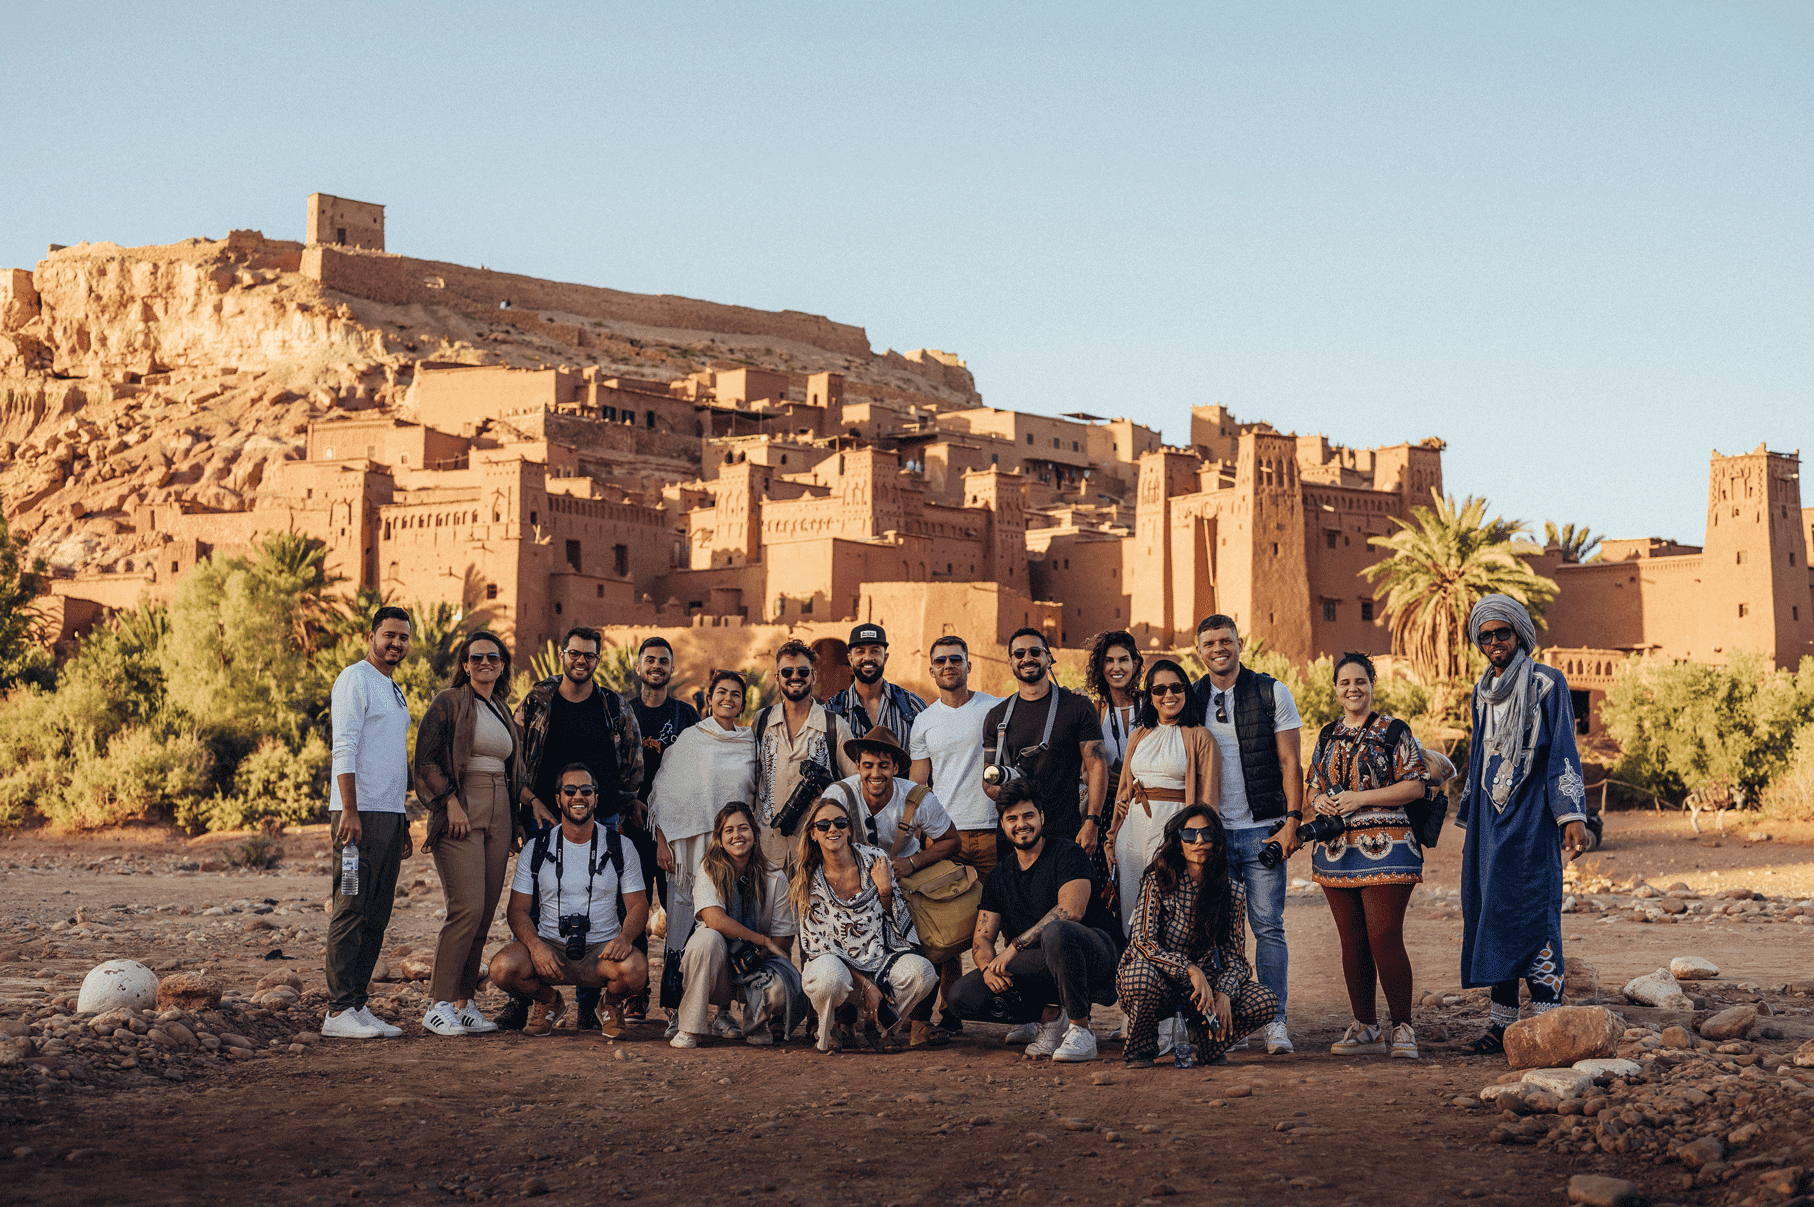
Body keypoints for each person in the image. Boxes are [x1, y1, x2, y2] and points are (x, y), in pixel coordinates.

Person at [1457, 595, 1591, 1056]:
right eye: (1486, 635)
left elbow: (1562, 753)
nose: (1495, 642)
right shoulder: (1481, 691)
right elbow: (1479, 755)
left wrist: (1571, 814)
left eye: (1502, 633)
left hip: (1532, 815)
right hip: (1490, 822)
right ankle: (1501, 1025)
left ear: (1519, 635)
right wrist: (1470, 812)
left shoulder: (1547, 684)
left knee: (1535, 907)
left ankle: (1546, 1017)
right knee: (1491, 907)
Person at [513, 626, 645, 1032]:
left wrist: (620, 804)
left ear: (597, 660)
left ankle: (593, 1005)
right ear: (562, 655)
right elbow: (514, 758)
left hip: (600, 815)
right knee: (538, 905)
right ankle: (532, 1001)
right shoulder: (538, 700)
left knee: (602, 905)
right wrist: (530, 803)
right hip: (543, 816)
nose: (581, 661)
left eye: (589, 655)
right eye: (574, 653)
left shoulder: (613, 705)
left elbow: (633, 760)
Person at [1304, 652, 1432, 1059]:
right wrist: (1319, 799)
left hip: (1389, 847)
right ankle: (1365, 1026)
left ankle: (1403, 1027)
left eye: (1360, 681)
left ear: (1372, 684)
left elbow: (1414, 786)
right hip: (1336, 849)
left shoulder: (1393, 731)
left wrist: (1359, 798)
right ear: (1336, 689)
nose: (1353, 689)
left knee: (1383, 937)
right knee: (1352, 940)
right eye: (1345, 683)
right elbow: (1312, 786)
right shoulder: (1327, 735)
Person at [1188, 613, 1303, 1054]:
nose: (1219, 648)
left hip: (1263, 832)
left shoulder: (1271, 690)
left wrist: (1292, 821)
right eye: (1210, 643)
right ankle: (1227, 1020)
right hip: (1211, 837)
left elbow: (1291, 762)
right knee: (1216, 932)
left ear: (1240, 643)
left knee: (1267, 927)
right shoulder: (1192, 698)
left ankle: (1275, 1020)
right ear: (1199, 651)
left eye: (1226, 640)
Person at [948, 788, 1123, 1063]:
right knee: (962, 995)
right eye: (1012, 818)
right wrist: (987, 969)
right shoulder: (999, 876)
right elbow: (982, 939)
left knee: (1058, 931)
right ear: (1003, 825)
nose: (1021, 824)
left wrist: (1014, 947)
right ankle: (1050, 1019)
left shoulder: (1069, 853)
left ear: (1041, 817)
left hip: (1095, 956)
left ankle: (1081, 1031)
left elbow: (1071, 911)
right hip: (1043, 962)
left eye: (1028, 815)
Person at [413, 631, 524, 1037]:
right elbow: (425, 758)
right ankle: (437, 1004)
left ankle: (464, 1003)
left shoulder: (500, 708)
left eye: (492, 658)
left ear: (502, 664)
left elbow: (515, 769)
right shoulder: (450, 701)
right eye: (476, 658)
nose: (484, 664)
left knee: (484, 912)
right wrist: (449, 801)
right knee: (465, 907)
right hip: (462, 805)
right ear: (464, 664)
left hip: (500, 811)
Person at [487, 763, 650, 1037]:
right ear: (558, 798)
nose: (578, 797)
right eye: (570, 790)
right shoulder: (536, 848)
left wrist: (623, 939)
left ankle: (609, 1004)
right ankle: (548, 1001)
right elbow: (517, 911)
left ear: (596, 798)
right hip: (551, 951)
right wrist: (536, 946)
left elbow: (638, 906)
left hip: (601, 952)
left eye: (586, 791)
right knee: (502, 969)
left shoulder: (620, 846)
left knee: (636, 969)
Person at [824, 724, 960, 1047]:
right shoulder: (838, 795)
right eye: (868, 765)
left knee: (928, 940)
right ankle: (844, 1024)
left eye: (884, 766)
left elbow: (950, 840)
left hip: (905, 884)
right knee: (843, 939)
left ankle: (918, 1023)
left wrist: (912, 863)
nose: (875, 773)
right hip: (853, 885)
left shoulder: (916, 797)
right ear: (857, 766)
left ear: (896, 768)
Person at [1115, 808, 1279, 1068]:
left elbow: (1235, 959)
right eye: (1190, 834)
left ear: (1217, 841)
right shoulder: (1156, 881)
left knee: (1265, 1002)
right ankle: (1141, 1047)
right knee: (1139, 976)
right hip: (1156, 979)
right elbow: (1141, 942)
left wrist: (1224, 993)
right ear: (1178, 843)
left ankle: (1209, 1041)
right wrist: (1189, 969)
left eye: (1207, 833)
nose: (1199, 840)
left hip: (1200, 991)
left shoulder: (1232, 891)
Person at [323, 605, 415, 1039]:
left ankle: (358, 1005)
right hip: (358, 817)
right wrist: (351, 811)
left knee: (377, 914)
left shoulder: (392, 688)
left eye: (403, 637)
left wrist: (403, 822)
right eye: (389, 635)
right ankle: (338, 1011)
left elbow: (391, 757)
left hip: (389, 817)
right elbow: (344, 747)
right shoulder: (354, 679)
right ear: (371, 636)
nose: (396, 643)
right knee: (351, 908)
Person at [650, 669, 757, 1038]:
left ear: (744, 703)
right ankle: (680, 1011)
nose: (729, 699)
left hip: (731, 850)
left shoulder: (750, 743)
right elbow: (663, 790)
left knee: (727, 921)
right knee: (682, 927)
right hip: (688, 853)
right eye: (722, 692)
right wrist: (662, 841)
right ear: (709, 698)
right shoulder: (690, 740)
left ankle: (724, 1012)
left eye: (736, 694)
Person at [790, 794, 937, 1053]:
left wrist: (884, 890)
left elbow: (896, 921)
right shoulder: (808, 879)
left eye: (840, 823)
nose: (832, 829)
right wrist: (868, 986)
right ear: (813, 833)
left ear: (850, 829)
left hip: (879, 956)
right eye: (823, 825)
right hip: (838, 967)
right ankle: (832, 1027)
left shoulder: (875, 860)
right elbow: (820, 947)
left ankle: (879, 1027)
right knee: (829, 977)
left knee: (922, 972)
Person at [908, 634, 1002, 1034]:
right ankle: (949, 1014)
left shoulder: (994, 709)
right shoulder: (925, 720)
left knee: (1004, 919)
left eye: (956, 660)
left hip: (996, 833)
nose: (949, 666)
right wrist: (913, 835)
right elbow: (918, 785)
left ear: (968, 665)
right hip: (946, 838)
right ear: (931, 670)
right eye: (941, 661)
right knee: (945, 928)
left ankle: (1029, 1013)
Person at [672, 801, 805, 1049]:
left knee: (779, 989)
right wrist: (760, 939)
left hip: (757, 966)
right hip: (718, 970)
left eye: (743, 828)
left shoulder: (775, 877)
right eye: (729, 830)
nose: (737, 835)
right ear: (720, 840)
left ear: (754, 834)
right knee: (706, 939)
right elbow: (714, 918)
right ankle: (690, 1026)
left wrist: (761, 951)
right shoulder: (709, 869)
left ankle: (755, 1023)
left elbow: (783, 939)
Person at [1106, 660, 1221, 926]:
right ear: (1150, 696)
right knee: (1132, 916)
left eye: (1176, 687)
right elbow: (1124, 790)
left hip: (1173, 835)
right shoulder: (1138, 735)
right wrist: (1113, 835)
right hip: (1133, 835)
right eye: (1159, 690)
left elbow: (1208, 801)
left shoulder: (1200, 737)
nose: (1168, 695)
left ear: (1185, 691)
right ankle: (1135, 967)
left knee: (1171, 915)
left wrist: (1199, 842)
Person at [981, 628, 1107, 852]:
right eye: (1019, 654)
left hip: (1065, 833)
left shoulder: (1077, 706)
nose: (1027, 658)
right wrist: (1016, 792)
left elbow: (1097, 766)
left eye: (1035, 651)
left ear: (1048, 658)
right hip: (1016, 838)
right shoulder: (997, 716)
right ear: (1010, 662)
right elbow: (988, 781)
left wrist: (1092, 822)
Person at [622, 635, 700, 991]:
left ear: (672, 668)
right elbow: (612, 768)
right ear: (638, 667)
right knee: (632, 910)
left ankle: (675, 990)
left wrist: (666, 826)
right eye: (649, 660)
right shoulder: (624, 712)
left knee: (679, 910)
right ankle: (636, 990)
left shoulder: (685, 715)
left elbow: (692, 773)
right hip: (631, 828)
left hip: (675, 832)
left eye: (663, 661)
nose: (656, 666)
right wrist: (628, 802)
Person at [753, 640, 855, 871]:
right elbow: (751, 778)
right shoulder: (762, 722)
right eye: (787, 671)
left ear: (814, 677)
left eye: (803, 671)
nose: (795, 676)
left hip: (817, 854)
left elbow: (854, 786)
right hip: (768, 851)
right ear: (777, 677)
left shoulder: (834, 726)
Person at [825, 623, 927, 746]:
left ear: (885, 658)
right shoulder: (831, 711)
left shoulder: (912, 706)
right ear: (851, 659)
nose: (868, 657)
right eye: (860, 652)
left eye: (875, 651)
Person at [1086, 630, 1144, 793]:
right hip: (1109, 808)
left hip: (1147, 805)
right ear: (1101, 666)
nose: (1116, 668)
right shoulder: (1095, 711)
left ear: (1135, 663)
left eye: (1123, 660)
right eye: (1109, 661)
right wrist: (1102, 775)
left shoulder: (1151, 706)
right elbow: (1085, 773)